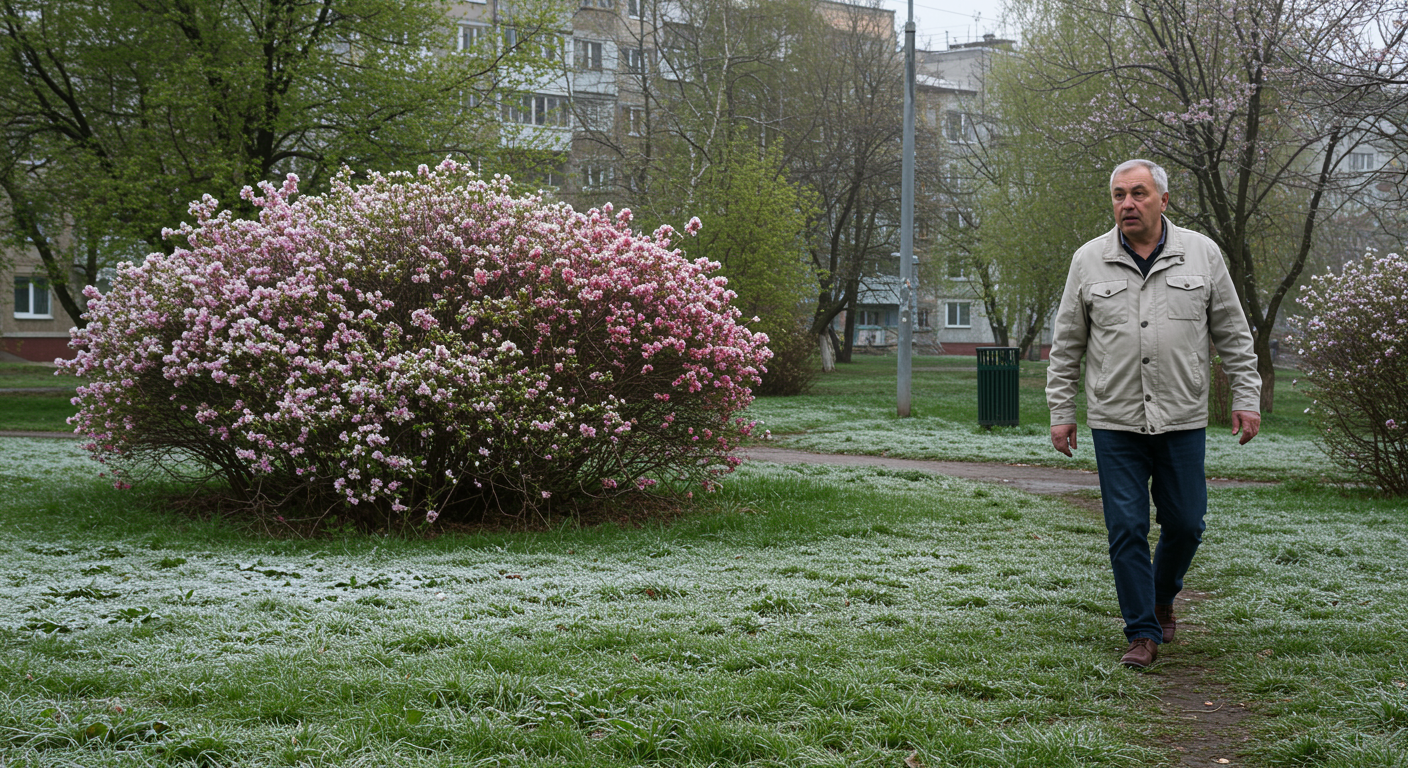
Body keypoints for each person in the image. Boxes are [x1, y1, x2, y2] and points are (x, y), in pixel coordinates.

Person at [1046, 159, 1262, 668]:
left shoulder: (1202, 255)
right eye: (1119, 194)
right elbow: (1066, 344)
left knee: (1186, 524)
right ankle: (1142, 631)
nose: (1127, 203)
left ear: (1163, 200)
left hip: (1182, 417)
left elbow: (1233, 332)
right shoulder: (1088, 260)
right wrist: (1062, 410)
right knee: (1126, 527)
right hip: (1114, 420)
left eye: (1138, 193)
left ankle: (1163, 594)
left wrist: (1246, 396)